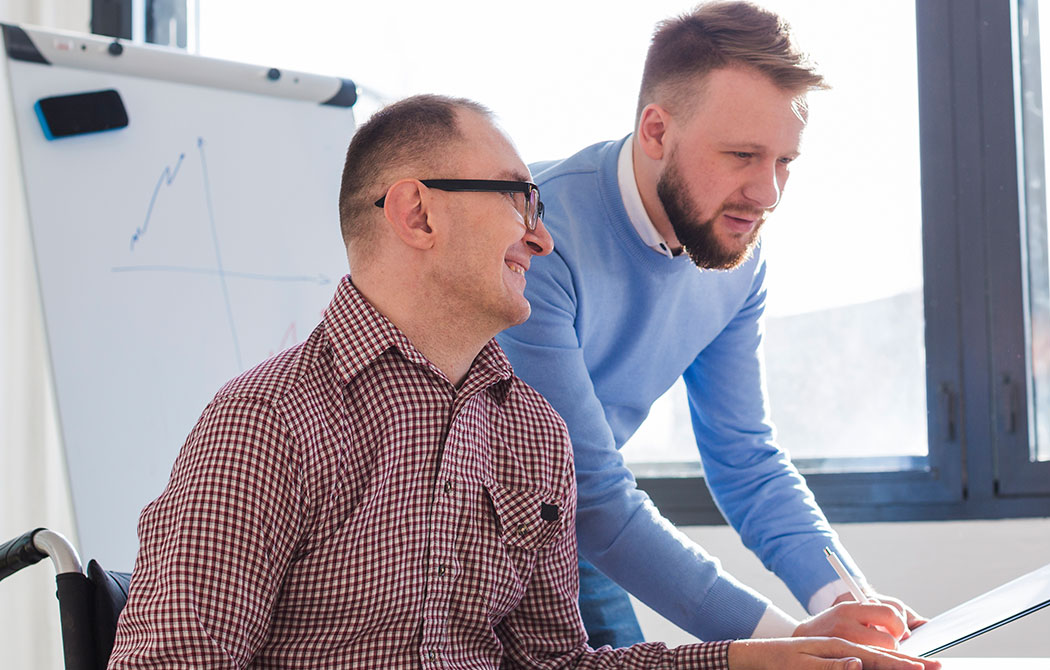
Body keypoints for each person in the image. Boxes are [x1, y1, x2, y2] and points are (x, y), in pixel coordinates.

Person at [107, 94, 937, 670]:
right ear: (417, 213)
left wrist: (767, 659)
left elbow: (559, 665)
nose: (542, 240)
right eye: (518, 203)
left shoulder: (532, 435)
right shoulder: (267, 424)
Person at [496, 1, 925, 650]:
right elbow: (595, 495)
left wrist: (853, 607)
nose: (768, 193)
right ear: (656, 132)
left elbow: (745, 458)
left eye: (784, 161)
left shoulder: (735, 256)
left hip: (575, 527)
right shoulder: (536, 238)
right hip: (463, 535)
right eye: (742, 154)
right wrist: (788, 644)